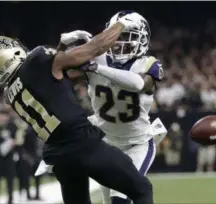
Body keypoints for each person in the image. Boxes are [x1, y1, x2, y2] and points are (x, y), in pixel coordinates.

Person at [0, 12, 154, 204]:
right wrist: (122, 24)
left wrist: (61, 47)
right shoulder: (36, 60)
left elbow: (54, 75)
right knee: (141, 189)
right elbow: (94, 49)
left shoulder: (9, 94)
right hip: (83, 144)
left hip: (59, 157)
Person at [58, 11, 168, 204]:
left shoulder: (148, 64)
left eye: (128, 36)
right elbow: (57, 71)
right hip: (105, 144)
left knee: (122, 199)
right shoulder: (97, 58)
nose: (121, 42)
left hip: (137, 144)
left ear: (142, 39)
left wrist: (97, 69)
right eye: (118, 35)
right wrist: (63, 48)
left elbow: (140, 84)